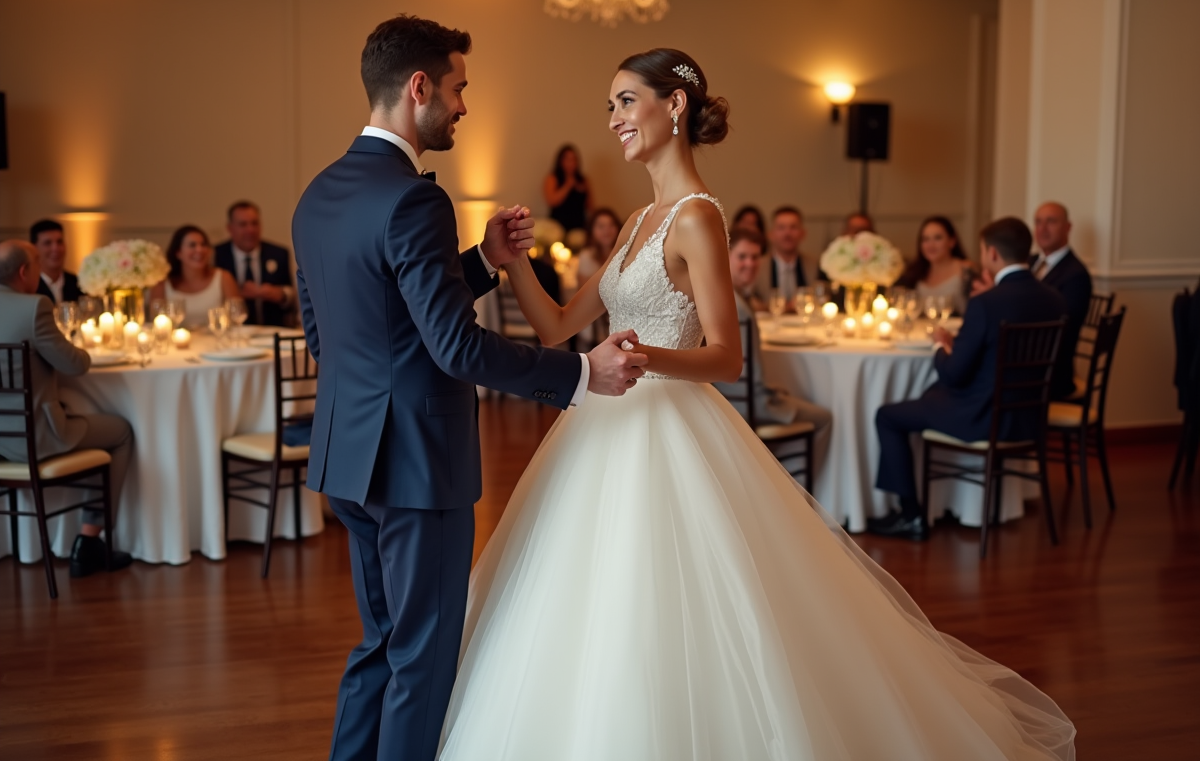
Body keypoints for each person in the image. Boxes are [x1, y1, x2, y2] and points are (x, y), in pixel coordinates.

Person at [437, 51, 1074, 760]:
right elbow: (558, 326)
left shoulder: (696, 219)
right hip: (604, 422)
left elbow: (724, 355)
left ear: (672, 107)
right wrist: (512, 259)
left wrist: (641, 359)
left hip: (666, 421)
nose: (613, 118)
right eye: (610, 105)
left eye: (624, 101)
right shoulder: (640, 220)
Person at [291, 15, 643, 761]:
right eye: (457, 89)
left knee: (381, 645)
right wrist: (582, 372)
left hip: (349, 460)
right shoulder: (415, 198)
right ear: (418, 88)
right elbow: (451, 345)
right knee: (421, 659)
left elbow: (345, 334)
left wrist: (480, 262)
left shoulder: (319, 194)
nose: (463, 106)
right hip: (418, 466)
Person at [871, 217, 1067, 542]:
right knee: (930, 397)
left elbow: (952, 372)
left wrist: (940, 345)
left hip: (983, 416)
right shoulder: (1054, 299)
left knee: (888, 415)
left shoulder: (986, 303)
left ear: (991, 253)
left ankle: (910, 515)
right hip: (1029, 417)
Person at [0, 241, 134, 578]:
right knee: (121, 432)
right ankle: (89, 541)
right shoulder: (33, 307)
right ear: (24, 272)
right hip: (35, 437)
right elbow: (75, 365)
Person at [715, 226, 832, 454]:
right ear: (725, 256)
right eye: (742, 257)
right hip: (750, 405)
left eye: (755, 257)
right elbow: (751, 378)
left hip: (729, 401)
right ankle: (793, 483)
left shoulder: (727, 296)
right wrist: (777, 393)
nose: (750, 263)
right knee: (825, 417)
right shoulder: (738, 308)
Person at [1031, 201, 1093, 399]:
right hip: (1027, 362)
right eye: (1038, 222)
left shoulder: (1075, 275)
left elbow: (1063, 331)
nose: (1042, 229)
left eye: (1051, 222)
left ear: (1068, 227)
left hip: (1051, 374)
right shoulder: (1029, 262)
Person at [213, 201, 296, 327]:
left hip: (273, 329)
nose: (250, 230)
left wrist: (278, 293)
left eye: (254, 223)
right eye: (243, 224)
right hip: (233, 332)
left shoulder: (278, 253)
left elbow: (292, 294)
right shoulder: (216, 255)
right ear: (230, 228)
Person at [149, 226, 240, 330]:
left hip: (217, 342)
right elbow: (155, 322)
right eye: (192, 245)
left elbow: (236, 316)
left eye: (203, 244)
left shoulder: (224, 277)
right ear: (178, 253)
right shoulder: (162, 283)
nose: (199, 250)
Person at [895, 215, 975, 315]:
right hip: (922, 329)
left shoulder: (966, 270)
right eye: (925, 239)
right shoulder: (915, 272)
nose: (930, 245)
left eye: (938, 238)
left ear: (952, 241)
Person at [751, 205, 822, 307]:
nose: (787, 233)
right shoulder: (756, 265)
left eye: (793, 227)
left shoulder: (815, 265)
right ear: (771, 234)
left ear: (802, 233)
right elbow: (749, 299)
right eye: (781, 228)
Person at [577, 207, 622, 346]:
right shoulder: (587, 257)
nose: (606, 231)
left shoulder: (624, 254)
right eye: (601, 226)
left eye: (611, 225)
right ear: (592, 231)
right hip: (596, 318)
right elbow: (585, 293)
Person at [30, 219, 83, 304]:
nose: (55, 249)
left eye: (59, 242)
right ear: (34, 248)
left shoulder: (77, 283)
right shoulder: (30, 288)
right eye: (47, 243)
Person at [543, 144, 592, 230]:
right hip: (557, 226)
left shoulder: (583, 180)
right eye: (568, 159)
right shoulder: (553, 178)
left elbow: (590, 206)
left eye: (574, 159)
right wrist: (568, 185)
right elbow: (551, 201)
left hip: (578, 226)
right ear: (561, 161)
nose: (571, 163)